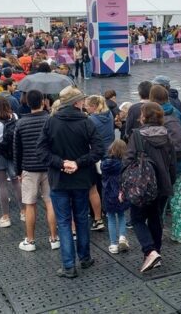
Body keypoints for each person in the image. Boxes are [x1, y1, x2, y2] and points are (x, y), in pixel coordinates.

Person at [37, 86, 104, 278]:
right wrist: (78, 163)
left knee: (64, 222)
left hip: (59, 180)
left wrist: (60, 163)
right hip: (81, 179)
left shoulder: (51, 123)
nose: (83, 102)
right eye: (81, 100)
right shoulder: (86, 122)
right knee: (82, 218)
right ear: (76, 102)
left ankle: (68, 265)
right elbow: (98, 150)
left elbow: (41, 151)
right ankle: (84, 257)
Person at [124, 102, 176, 272]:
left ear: (144, 117)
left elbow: (128, 161)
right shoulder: (166, 135)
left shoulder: (137, 135)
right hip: (162, 184)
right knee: (155, 218)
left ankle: (150, 250)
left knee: (137, 219)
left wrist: (122, 186)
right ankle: (156, 253)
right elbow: (172, 161)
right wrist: (170, 182)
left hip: (142, 184)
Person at [14, 90, 59, 252]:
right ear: (43, 102)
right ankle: (54, 238)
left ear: (27, 103)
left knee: (30, 205)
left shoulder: (20, 123)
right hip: (49, 167)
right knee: (50, 202)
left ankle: (30, 241)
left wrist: (18, 171)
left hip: (29, 168)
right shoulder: (51, 120)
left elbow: (17, 150)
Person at [149, 84, 181, 243]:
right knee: (179, 199)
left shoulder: (152, 113)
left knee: (158, 200)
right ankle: (180, 234)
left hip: (160, 164)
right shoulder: (174, 111)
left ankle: (156, 233)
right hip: (180, 162)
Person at [0, 95, 22, 229]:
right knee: (16, 182)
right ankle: (23, 211)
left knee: (2, 185)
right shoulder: (15, 116)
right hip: (13, 154)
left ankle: (6, 216)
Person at [85, 95, 114, 233]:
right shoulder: (109, 115)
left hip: (98, 156)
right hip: (110, 153)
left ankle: (98, 213)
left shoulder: (91, 120)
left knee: (96, 187)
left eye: (88, 105)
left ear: (94, 106)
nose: (85, 107)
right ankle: (109, 210)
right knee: (108, 184)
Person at [100, 139, 131, 254]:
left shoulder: (104, 164)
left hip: (108, 194)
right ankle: (122, 237)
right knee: (122, 215)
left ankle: (113, 244)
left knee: (111, 218)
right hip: (121, 193)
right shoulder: (124, 164)